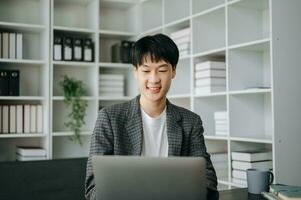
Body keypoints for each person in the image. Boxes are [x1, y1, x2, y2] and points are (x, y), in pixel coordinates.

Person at [85, 33, 219, 200]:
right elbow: (93, 188)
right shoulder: (110, 118)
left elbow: (208, 180)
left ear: (173, 71)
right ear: (135, 72)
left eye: (162, 70)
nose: (154, 79)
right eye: (146, 70)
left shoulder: (190, 122)